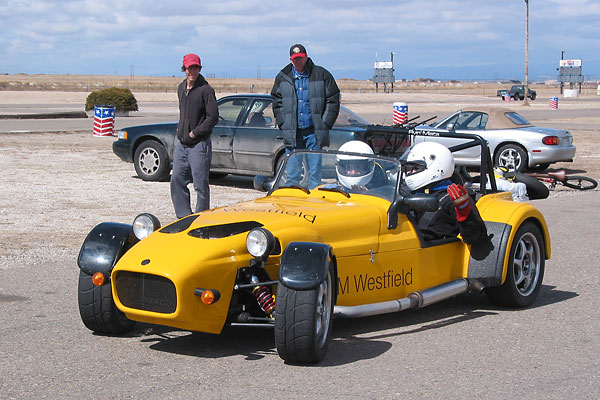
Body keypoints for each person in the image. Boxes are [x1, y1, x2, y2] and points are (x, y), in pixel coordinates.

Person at [271, 43, 341, 189]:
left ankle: (314, 204)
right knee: (292, 174)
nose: (298, 62)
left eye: (301, 58)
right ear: (291, 60)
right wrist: (283, 122)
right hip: (293, 133)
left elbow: (333, 98)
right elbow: (277, 101)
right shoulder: (283, 77)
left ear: (306, 57)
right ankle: (292, 204)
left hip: (313, 133)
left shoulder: (321, 74)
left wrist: (325, 123)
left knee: (315, 175)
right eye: (295, 59)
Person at [404, 142, 487, 245]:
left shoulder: (454, 198)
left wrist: (464, 210)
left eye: (416, 168)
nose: (411, 172)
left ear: (437, 168)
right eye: (410, 168)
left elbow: (477, 239)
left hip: (432, 255)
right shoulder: (410, 193)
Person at [170, 53, 219, 218]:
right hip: (182, 144)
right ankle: (183, 217)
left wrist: (195, 132)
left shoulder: (206, 90)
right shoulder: (181, 88)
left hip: (199, 145)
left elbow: (212, 118)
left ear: (200, 68)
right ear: (184, 68)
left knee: (200, 184)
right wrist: (181, 130)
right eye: (189, 67)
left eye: (196, 67)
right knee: (176, 179)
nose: (192, 71)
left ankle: (201, 218)